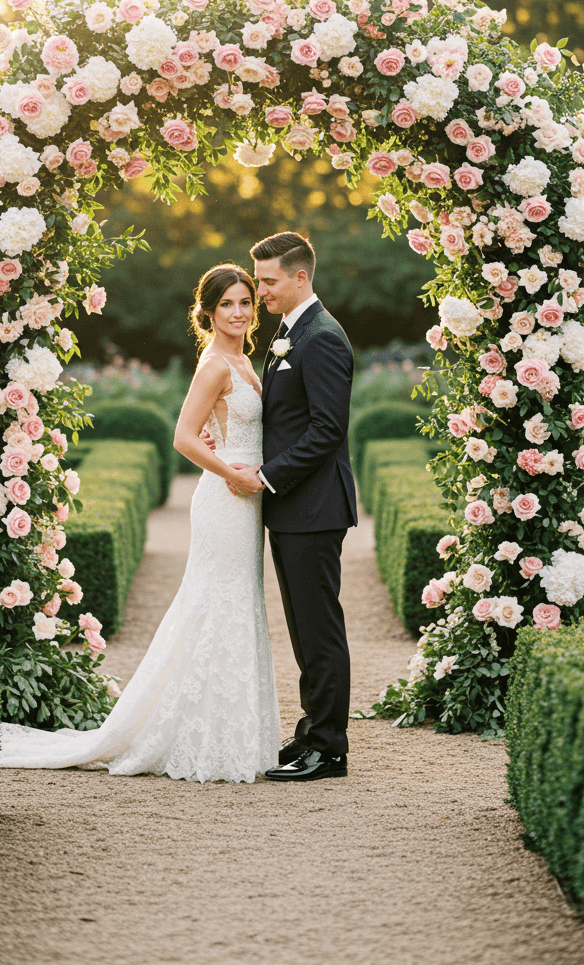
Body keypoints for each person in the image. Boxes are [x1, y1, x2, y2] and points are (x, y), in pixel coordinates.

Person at [0, 263, 280, 782]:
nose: (238, 312)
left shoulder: (243, 361)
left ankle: (231, 733)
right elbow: (184, 437)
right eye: (227, 305)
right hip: (226, 497)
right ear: (209, 313)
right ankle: (201, 737)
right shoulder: (215, 363)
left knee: (237, 601)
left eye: (245, 302)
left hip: (247, 494)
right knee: (217, 602)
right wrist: (230, 473)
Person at [246, 231, 356, 783]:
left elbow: (327, 431)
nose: (259, 291)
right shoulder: (289, 333)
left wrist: (268, 475)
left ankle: (329, 749)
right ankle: (313, 730)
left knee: (319, 629)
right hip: (293, 509)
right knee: (303, 627)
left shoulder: (322, 338)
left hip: (313, 508)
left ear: (299, 277)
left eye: (267, 282)